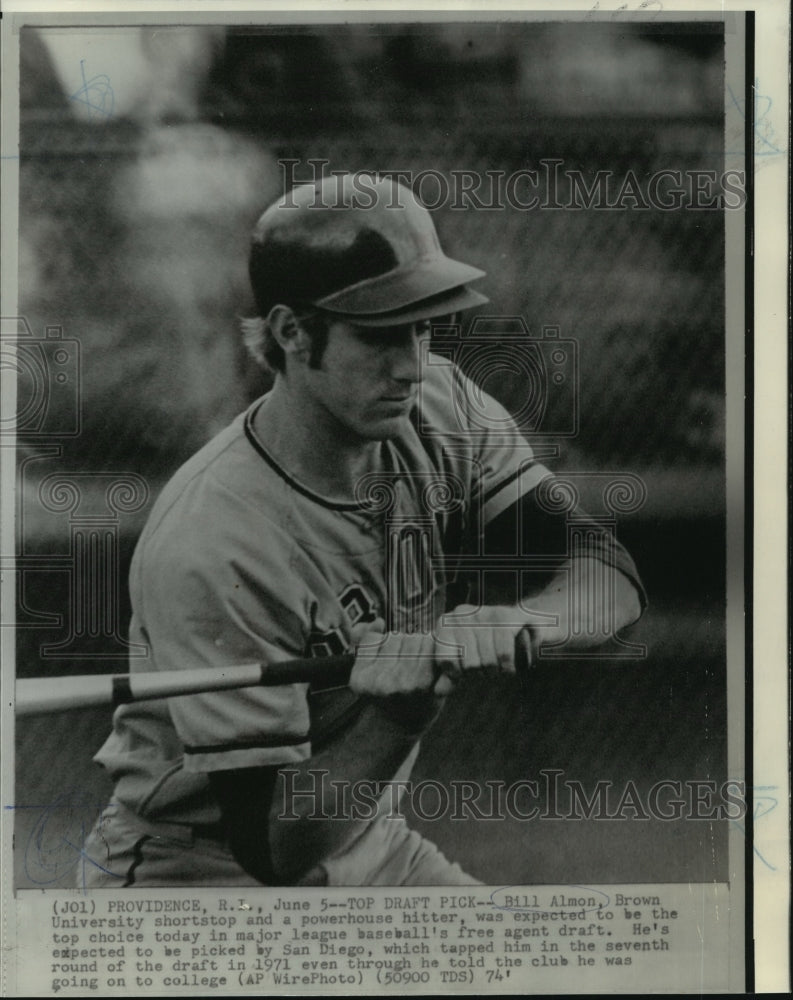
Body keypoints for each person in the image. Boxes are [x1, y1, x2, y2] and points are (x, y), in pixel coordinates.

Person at [82, 173, 646, 888]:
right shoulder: (214, 539)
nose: (412, 366)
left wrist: (525, 619)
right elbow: (275, 847)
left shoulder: (440, 405)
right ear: (291, 333)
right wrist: (396, 717)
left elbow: (607, 574)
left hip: (365, 837)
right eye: (381, 334)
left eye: (423, 325)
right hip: (199, 873)